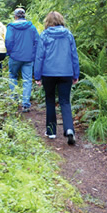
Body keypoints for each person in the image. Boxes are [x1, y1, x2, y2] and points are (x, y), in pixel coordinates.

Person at [34, 11, 79, 145]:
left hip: (48, 73)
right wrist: (75, 73)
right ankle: (69, 129)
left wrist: (37, 75)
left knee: (50, 101)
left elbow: (39, 56)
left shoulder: (44, 35)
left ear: (48, 22)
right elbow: (74, 55)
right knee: (65, 101)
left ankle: (51, 131)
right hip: (66, 72)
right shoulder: (68, 35)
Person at [5, 8, 39, 112]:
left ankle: (14, 100)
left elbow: (8, 41)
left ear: (15, 16)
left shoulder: (11, 27)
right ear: (24, 16)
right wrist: (33, 54)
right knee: (27, 80)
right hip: (28, 58)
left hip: (15, 57)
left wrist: (10, 52)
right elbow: (37, 42)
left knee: (12, 76)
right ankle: (25, 104)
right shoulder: (32, 27)